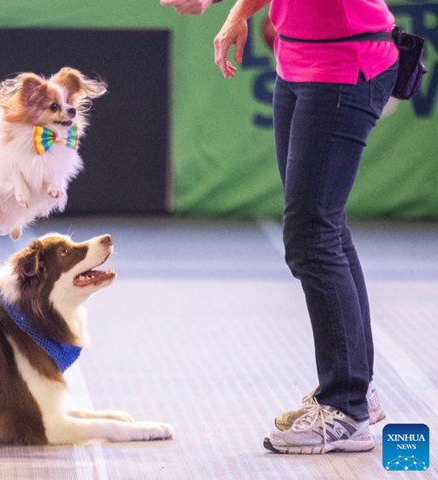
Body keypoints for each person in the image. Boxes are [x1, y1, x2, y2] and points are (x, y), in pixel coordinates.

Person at [163, 0, 398, 453]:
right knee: (323, 226)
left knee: (312, 234)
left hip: (344, 64)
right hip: (298, 65)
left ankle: (345, 410)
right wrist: (240, 13)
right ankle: (356, 391)